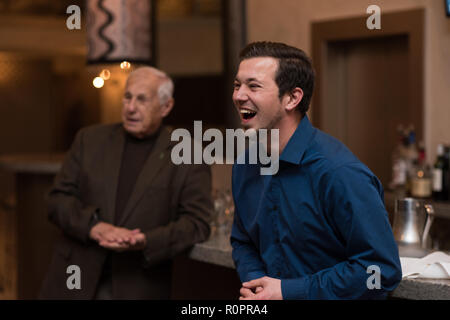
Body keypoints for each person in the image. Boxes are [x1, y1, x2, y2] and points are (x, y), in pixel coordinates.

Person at [230, 41, 402, 300]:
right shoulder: (246, 165)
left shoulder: (339, 172)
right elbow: (243, 241)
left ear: (292, 98)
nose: (239, 95)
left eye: (253, 86)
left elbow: (380, 270)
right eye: (237, 85)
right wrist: (257, 283)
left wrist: (289, 291)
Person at [39, 67, 213, 299]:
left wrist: (146, 241)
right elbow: (57, 200)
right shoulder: (89, 139)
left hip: (138, 283)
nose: (130, 107)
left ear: (166, 106)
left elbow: (197, 224)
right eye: (127, 97)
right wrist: (93, 226)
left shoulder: (189, 153)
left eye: (142, 100)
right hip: (75, 278)